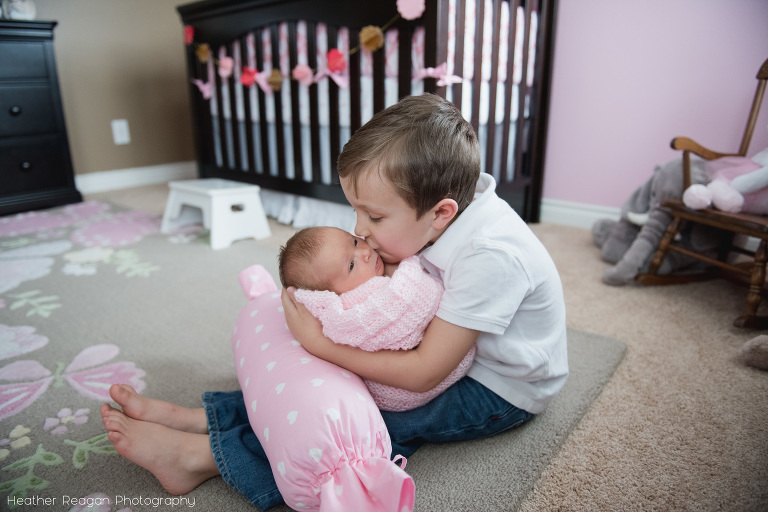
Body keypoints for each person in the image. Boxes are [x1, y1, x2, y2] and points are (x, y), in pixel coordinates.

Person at [100, 93, 568, 510]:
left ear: (441, 214)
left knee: (359, 423)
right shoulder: (440, 210)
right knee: (322, 388)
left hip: (499, 388)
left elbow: (426, 370)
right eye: (356, 210)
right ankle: (204, 418)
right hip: (456, 350)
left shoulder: (492, 257)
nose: (359, 229)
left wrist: (321, 345)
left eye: (375, 215)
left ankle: (201, 458)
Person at [278, 225, 476, 411]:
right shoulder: (357, 311)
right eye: (352, 265)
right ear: (332, 295)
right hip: (403, 388)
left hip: (435, 366)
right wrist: (403, 266)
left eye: (355, 242)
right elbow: (413, 302)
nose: (365, 252)